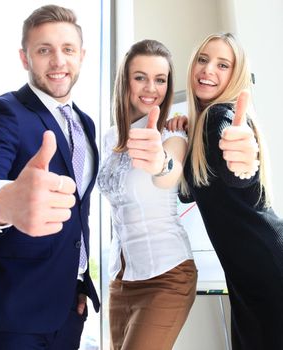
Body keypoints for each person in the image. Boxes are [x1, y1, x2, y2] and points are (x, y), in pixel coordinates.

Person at [0, 4, 100, 350]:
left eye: (67, 50)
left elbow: (77, 213)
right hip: (10, 314)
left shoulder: (85, 123)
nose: (58, 61)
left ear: (81, 56)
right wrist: (5, 202)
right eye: (44, 50)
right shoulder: (4, 111)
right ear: (25, 58)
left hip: (67, 310)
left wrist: (78, 281)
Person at [174, 32, 283, 349]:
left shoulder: (219, 117)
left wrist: (242, 165)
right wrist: (183, 138)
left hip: (268, 272)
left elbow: (237, 173)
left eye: (223, 65)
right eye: (204, 60)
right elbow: (188, 193)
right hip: (248, 275)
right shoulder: (201, 126)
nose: (208, 70)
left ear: (235, 76)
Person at [97, 40, 197, 350]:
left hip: (166, 276)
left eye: (160, 79)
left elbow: (170, 172)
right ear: (124, 80)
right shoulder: (110, 137)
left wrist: (160, 163)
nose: (150, 87)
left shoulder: (171, 133)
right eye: (140, 76)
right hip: (120, 280)